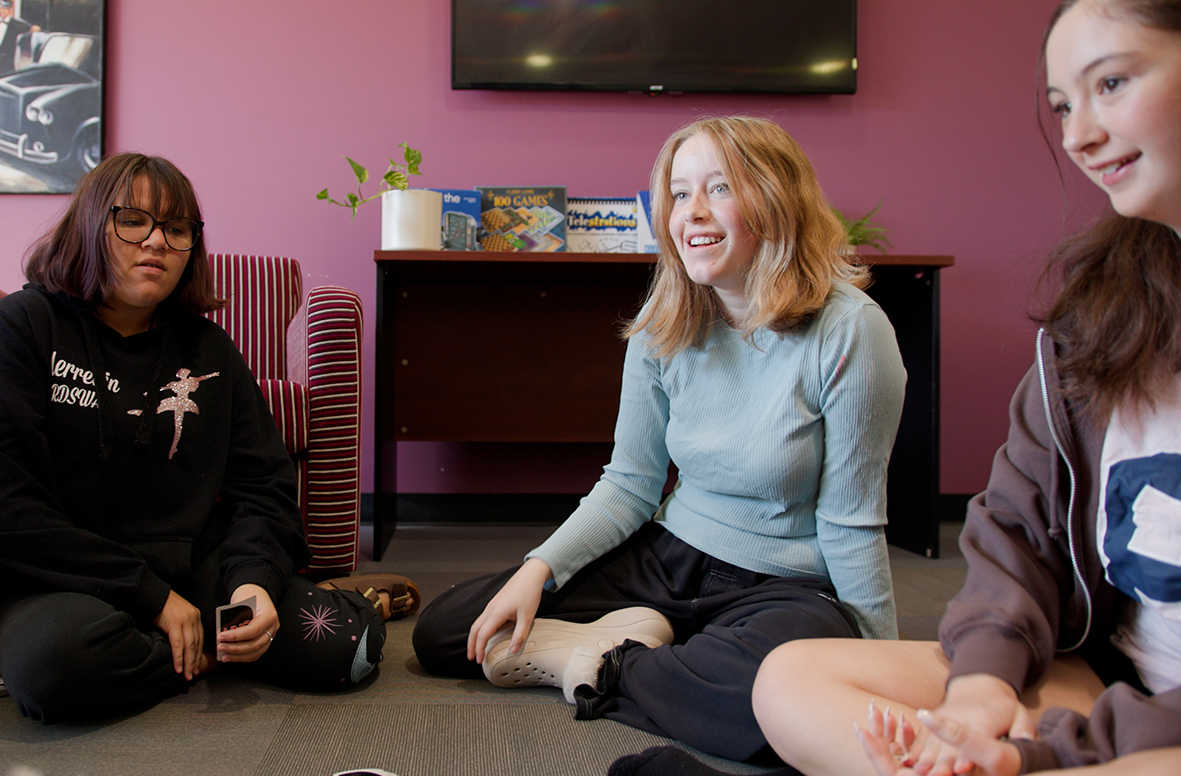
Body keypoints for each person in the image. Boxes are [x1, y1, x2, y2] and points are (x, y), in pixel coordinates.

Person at [609, 2, 1181, 775]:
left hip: (1143, 732)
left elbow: (850, 520)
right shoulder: (1095, 325)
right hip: (1103, 675)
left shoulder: (847, 327)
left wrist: (1033, 752)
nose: (1077, 134)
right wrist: (978, 692)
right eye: (1061, 106)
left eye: (1110, 83)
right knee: (789, 681)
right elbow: (1016, 532)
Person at [412, 116, 907, 761]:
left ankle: (601, 664)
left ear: (777, 198)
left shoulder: (850, 331)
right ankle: (665, 657)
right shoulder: (661, 323)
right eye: (679, 194)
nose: (692, 213)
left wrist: (881, 674)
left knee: (779, 704)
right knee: (450, 632)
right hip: (670, 557)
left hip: (785, 587)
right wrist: (539, 568)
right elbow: (630, 483)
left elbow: (852, 522)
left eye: (721, 188)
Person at [0, 152, 397, 723]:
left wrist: (254, 584)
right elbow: (10, 508)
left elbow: (263, 485)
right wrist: (150, 597)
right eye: (133, 220)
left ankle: (328, 605)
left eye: (177, 228)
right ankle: (201, 651)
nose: (156, 242)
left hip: (193, 567)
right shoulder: (23, 327)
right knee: (54, 670)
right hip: (66, 580)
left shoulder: (209, 347)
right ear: (90, 222)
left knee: (341, 647)